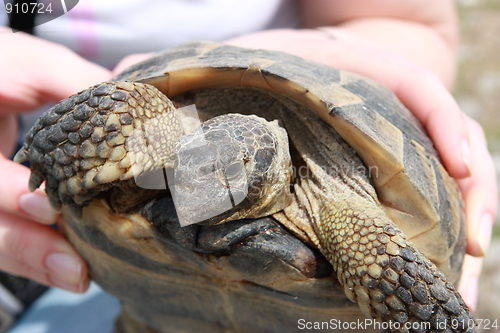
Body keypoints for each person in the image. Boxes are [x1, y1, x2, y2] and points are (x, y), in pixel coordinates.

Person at [0, 0, 496, 329]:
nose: (203, 186)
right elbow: (114, 124)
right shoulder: (163, 127)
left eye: (227, 173)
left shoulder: (348, 211)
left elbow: (410, 19)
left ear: (273, 169)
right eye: (198, 165)